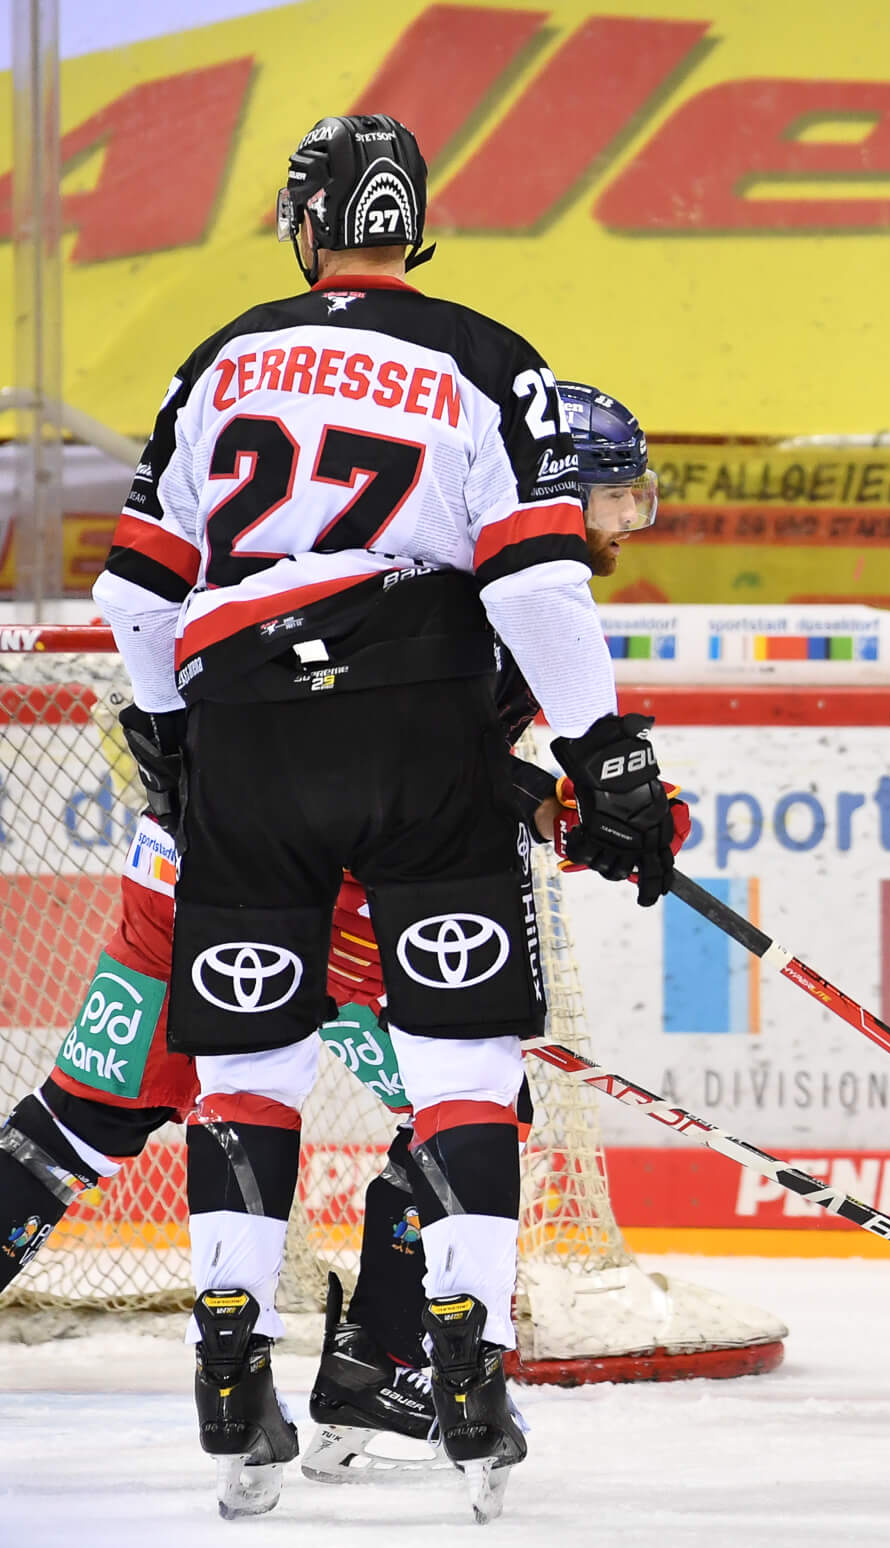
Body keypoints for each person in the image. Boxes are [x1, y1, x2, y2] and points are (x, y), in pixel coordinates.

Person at [89, 113, 677, 1521]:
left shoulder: (226, 351)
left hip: (238, 730)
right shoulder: (488, 352)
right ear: (414, 222)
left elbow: (133, 589)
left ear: (307, 226)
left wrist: (176, 738)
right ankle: (459, 1364)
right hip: (415, 721)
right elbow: (537, 587)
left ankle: (231, 1368)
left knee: (247, 1079)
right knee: (466, 1070)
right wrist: (608, 762)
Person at [0, 377, 669, 1483]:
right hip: (333, 894)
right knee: (466, 1111)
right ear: (561, 493)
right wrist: (577, 800)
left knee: (87, 1120)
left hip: (187, 876)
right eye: (614, 503)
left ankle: (339, 1361)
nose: (619, 531)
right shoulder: (508, 586)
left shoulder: (359, 546)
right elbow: (401, 761)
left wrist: (542, 804)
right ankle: (388, 1369)